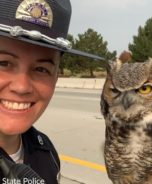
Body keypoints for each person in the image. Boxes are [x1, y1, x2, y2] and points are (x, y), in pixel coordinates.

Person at [0, 0, 103, 183]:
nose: (22, 87)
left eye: (41, 69)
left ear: (56, 77)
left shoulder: (45, 152)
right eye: (3, 63)